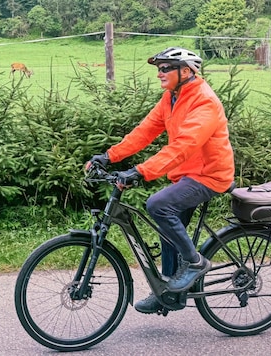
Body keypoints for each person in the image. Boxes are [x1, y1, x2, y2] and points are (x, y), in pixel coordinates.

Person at [86, 47, 235, 314]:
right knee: (166, 228)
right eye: (159, 68)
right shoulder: (171, 98)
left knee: (159, 205)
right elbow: (145, 131)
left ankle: (195, 262)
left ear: (186, 71)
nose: (159, 74)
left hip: (210, 175)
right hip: (187, 174)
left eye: (165, 68)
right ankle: (169, 291)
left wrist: (140, 171)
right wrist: (109, 156)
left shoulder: (204, 102)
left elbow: (183, 146)